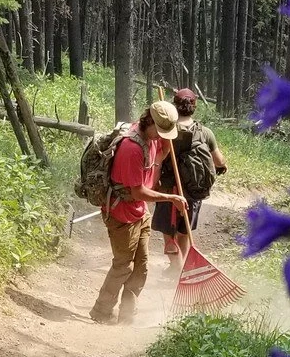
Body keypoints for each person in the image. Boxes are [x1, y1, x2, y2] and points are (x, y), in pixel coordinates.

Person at [90, 100, 188, 324]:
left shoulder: (152, 140)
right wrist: (171, 198)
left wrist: (162, 154)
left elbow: (149, 181)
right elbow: (138, 192)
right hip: (121, 213)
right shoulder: (131, 148)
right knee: (123, 265)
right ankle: (101, 311)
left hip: (139, 212)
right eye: (160, 131)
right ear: (149, 121)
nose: (162, 136)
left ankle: (127, 314)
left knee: (142, 266)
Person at [152, 87, 227, 263]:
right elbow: (218, 161)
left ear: (174, 106)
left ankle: (175, 266)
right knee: (184, 232)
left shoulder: (167, 130)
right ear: (195, 106)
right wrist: (224, 165)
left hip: (168, 189)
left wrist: (154, 183)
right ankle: (181, 267)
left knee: (168, 231)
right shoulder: (205, 133)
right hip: (193, 190)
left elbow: (158, 159)